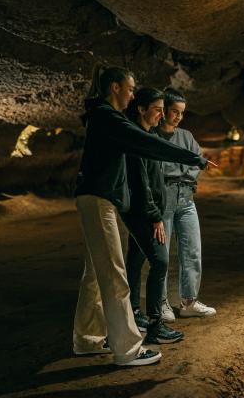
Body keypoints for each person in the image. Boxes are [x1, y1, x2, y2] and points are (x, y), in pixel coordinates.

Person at [73, 65, 210, 367]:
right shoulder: (108, 118)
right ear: (114, 88)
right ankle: (128, 349)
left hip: (98, 198)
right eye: (130, 89)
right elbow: (150, 144)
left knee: (95, 275)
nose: (133, 94)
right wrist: (192, 157)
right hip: (99, 200)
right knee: (114, 274)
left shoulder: (106, 118)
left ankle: (88, 339)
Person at [121, 88, 184, 345]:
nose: (162, 114)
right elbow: (140, 182)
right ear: (141, 109)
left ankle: (135, 314)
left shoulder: (147, 135)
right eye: (158, 109)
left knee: (135, 261)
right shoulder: (138, 139)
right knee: (160, 262)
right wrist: (155, 216)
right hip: (143, 214)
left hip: (143, 212)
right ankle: (156, 324)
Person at [157, 87, 216, 322]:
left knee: (192, 250)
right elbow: (156, 169)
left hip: (186, 199)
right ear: (163, 111)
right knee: (161, 254)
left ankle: (189, 302)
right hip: (164, 198)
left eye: (182, 112)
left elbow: (197, 163)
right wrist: (177, 174)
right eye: (174, 111)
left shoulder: (187, 136)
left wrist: (187, 180)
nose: (178, 117)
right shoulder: (153, 136)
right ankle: (160, 302)